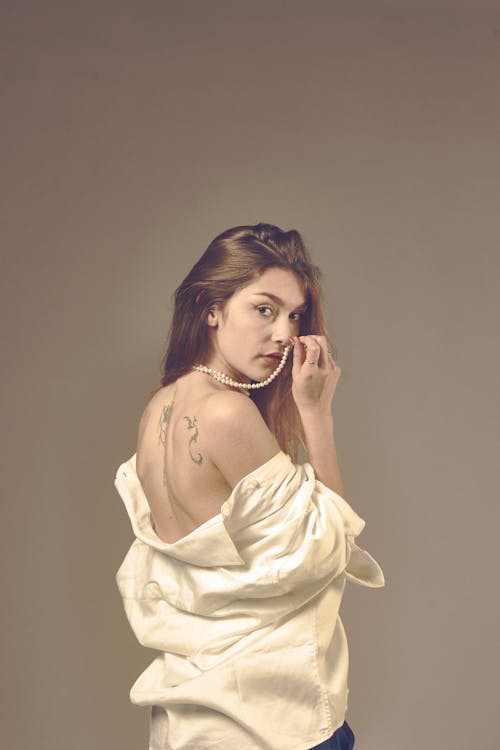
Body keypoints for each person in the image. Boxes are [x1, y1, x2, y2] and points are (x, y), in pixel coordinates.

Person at [114, 222, 385, 750]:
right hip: (272, 722)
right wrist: (316, 412)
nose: (285, 334)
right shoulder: (227, 413)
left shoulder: (158, 410)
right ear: (210, 308)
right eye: (264, 309)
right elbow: (327, 548)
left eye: (294, 315)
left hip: (192, 719)